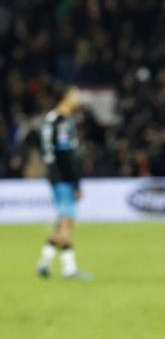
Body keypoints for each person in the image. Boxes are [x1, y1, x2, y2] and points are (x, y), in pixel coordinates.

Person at [35, 85, 91, 281]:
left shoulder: (52, 120)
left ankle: (44, 261)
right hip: (63, 177)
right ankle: (69, 268)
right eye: (75, 95)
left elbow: (49, 151)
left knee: (62, 222)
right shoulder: (61, 122)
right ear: (65, 97)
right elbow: (65, 154)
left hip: (56, 175)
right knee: (67, 223)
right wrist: (76, 183)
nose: (78, 99)